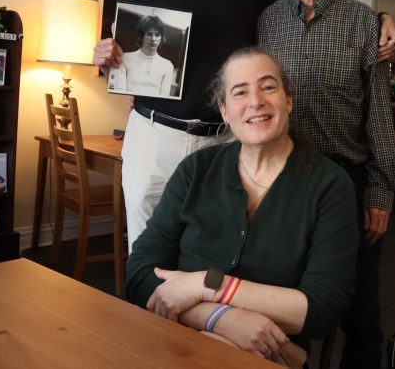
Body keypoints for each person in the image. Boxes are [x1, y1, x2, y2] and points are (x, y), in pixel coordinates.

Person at [92, 0, 395, 251]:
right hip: (153, 136)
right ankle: (145, 314)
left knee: (210, 247)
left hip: (224, 142)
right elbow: (120, 53)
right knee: (145, 245)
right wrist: (103, 56)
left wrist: (381, 19)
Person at [126, 48, 358, 366]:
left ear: (288, 100)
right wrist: (218, 317)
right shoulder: (196, 169)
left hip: (267, 354)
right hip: (173, 340)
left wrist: (206, 285)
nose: (255, 101)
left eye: (268, 87)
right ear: (224, 110)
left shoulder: (330, 185)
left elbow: (321, 309)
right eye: (240, 92)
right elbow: (139, 273)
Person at [257, 0, 395, 369]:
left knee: (360, 307)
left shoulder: (363, 23)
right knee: (278, 295)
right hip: (282, 178)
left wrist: (380, 192)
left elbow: (379, 114)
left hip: (346, 180)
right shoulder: (266, 21)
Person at [108, 15, 175, 97]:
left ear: (161, 38)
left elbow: (163, 98)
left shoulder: (167, 65)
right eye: (149, 34)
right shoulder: (125, 58)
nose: (153, 39)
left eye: (157, 35)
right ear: (142, 36)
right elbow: (120, 94)